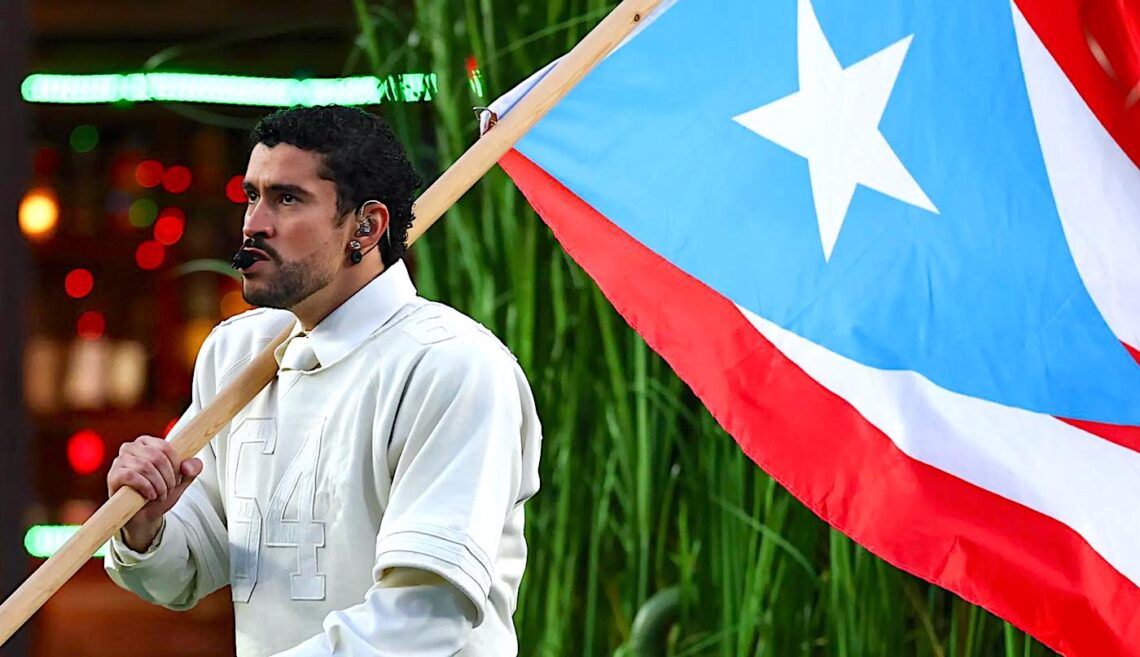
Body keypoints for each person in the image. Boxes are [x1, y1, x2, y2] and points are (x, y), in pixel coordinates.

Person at [104, 106, 542, 657]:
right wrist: (144, 525)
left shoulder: (452, 367)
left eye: (288, 198)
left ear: (368, 225)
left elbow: (424, 617)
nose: (254, 224)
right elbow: (183, 573)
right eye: (251, 195)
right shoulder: (235, 353)